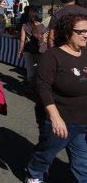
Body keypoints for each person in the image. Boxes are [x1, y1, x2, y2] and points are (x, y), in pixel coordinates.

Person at [26, 14, 87, 183]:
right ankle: (34, 175)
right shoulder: (53, 56)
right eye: (81, 31)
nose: (86, 35)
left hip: (83, 122)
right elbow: (43, 88)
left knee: (83, 163)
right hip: (60, 121)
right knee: (46, 154)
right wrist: (55, 117)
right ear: (68, 33)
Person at [18, 10, 47, 91]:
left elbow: (22, 40)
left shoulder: (24, 26)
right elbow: (44, 40)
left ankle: (30, 88)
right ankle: (39, 88)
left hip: (28, 49)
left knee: (30, 71)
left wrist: (20, 51)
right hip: (40, 50)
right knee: (40, 70)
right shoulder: (42, 26)